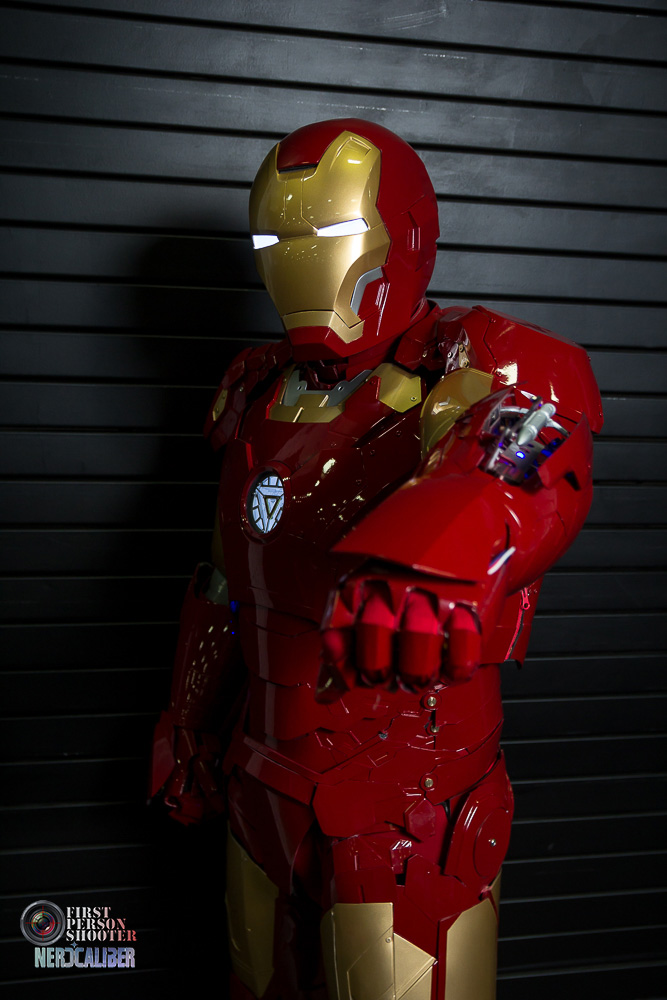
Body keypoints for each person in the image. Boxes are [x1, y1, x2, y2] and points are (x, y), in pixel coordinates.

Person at [151, 118, 603, 1000]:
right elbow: (225, 579)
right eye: (272, 239)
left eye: (326, 230)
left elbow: (528, 450)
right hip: (260, 769)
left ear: (403, 234)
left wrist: (431, 564)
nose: (296, 258)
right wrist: (189, 724)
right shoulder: (255, 388)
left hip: (404, 789)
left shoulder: (470, 368)